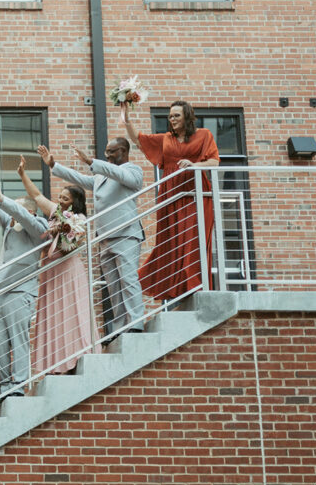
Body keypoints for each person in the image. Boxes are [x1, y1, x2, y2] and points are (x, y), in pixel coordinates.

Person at [40, 139, 146, 337]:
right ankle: (120, 326)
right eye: (105, 152)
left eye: (111, 152)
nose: (107, 156)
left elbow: (121, 175)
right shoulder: (101, 175)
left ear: (123, 151)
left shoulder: (133, 171)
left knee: (128, 278)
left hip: (125, 233)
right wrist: (54, 165)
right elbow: (80, 179)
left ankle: (137, 321)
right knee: (113, 284)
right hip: (105, 236)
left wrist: (91, 162)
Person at [123, 100, 220, 301]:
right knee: (172, 242)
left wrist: (194, 165)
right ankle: (177, 291)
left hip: (195, 195)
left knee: (192, 241)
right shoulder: (166, 139)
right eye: (170, 116)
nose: (172, 119)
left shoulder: (204, 135)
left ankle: (195, 288)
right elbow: (138, 139)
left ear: (187, 116)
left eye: (176, 115)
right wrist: (126, 116)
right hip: (170, 196)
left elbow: (214, 161)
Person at [14, 167, 102, 376]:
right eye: (60, 197)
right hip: (50, 271)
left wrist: (62, 230)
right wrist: (22, 174)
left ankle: (76, 356)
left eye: (64, 198)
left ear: (73, 202)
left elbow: (72, 244)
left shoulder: (78, 220)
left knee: (70, 312)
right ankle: (55, 364)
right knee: (53, 314)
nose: (60, 200)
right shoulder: (56, 213)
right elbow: (36, 195)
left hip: (67, 271)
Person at [0, 175, 50, 402]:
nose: (10, 215)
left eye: (16, 211)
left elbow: (20, 215)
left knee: (18, 339)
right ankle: (4, 386)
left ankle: (18, 384)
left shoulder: (39, 227)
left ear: (29, 212)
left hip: (20, 291)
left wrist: (2, 198)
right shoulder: (10, 226)